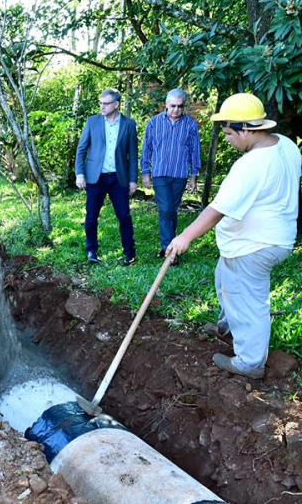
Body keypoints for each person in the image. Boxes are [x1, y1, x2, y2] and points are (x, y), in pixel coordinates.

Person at [166, 93, 301, 380]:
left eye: (229, 133)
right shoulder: (287, 146)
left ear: (247, 129)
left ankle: (250, 363)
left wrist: (185, 237)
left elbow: (217, 209)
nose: (227, 139)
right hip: (272, 238)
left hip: (253, 247)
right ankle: (227, 324)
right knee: (223, 277)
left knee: (249, 302)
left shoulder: (250, 165)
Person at [75, 88, 139, 265]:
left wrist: (133, 179)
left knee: (124, 216)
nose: (102, 106)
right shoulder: (92, 122)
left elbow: (132, 155)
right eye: (100, 103)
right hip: (95, 178)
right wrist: (80, 174)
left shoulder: (129, 124)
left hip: (119, 178)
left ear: (116, 104)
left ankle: (129, 253)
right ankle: (91, 250)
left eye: (106, 103)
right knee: (91, 216)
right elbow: (81, 149)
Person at [140, 88, 202, 266]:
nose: (176, 109)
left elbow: (194, 151)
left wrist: (193, 177)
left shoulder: (190, 125)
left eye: (180, 106)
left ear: (184, 106)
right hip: (160, 174)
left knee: (172, 210)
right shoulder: (154, 123)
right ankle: (169, 249)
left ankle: (168, 245)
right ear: (166, 105)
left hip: (180, 174)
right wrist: (145, 172)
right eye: (172, 105)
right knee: (166, 209)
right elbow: (147, 149)